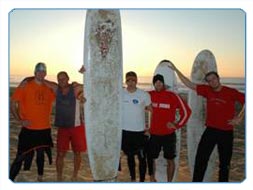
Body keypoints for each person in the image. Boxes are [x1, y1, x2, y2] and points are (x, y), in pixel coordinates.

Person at [168, 61, 245, 182]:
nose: (212, 81)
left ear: (218, 78)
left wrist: (240, 116)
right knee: (200, 160)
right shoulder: (207, 90)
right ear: (208, 82)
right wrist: (176, 70)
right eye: (209, 80)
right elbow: (189, 84)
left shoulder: (231, 92)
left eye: (213, 78)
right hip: (210, 130)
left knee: (225, 165)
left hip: (226, 132)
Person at [10, 62, 55, 182]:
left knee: (41, 155)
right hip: (29, 129)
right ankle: (10, 180)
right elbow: (13, 103)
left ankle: (40, 178)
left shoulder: (49, 88)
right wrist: (20, 120)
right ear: (35, 72)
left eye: (43, 71)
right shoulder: (25, 86)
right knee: (20, 156)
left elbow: (60, 88)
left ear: (45, 73)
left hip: (44, 128)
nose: (41, 73)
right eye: (38, 71)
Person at [43, 71, 87, 181]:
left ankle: (75, 175)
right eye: (59, 79)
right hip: (63, 128)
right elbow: (42, 80)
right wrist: (26, 80)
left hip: (77, 126)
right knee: (60, 154)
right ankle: (59, 177)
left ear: (68, 78)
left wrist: (85, 73)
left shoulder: (75, 88)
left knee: (77, 153)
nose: (61, 81)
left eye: (63, 79)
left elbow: (90, 84)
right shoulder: (56, 89)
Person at [148, 73, 191, 182]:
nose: (158, 84)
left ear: (163, 83)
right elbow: (136, 100)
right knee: (151, 158)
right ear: (154, 84)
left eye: (160, 82)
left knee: (170, 160)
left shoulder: (172, 96)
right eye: (156, 82)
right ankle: (153, 179)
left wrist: (177, 125)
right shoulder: (149, 95)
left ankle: (169, 183)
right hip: (154, 134)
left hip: (169, 135)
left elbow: (186, 112)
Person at [121, 71, 152, 182]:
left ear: (136, 81)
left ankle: (142, 181)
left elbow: (151, 111)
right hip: (125, 131)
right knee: (130, 157)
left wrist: (150, 128)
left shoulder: (144, 95)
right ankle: (133, 179)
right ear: (126, 81)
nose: (131, 82)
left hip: (140, 132)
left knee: (142, 158)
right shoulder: (120, 93)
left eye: (133, 80)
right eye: (128, 80)